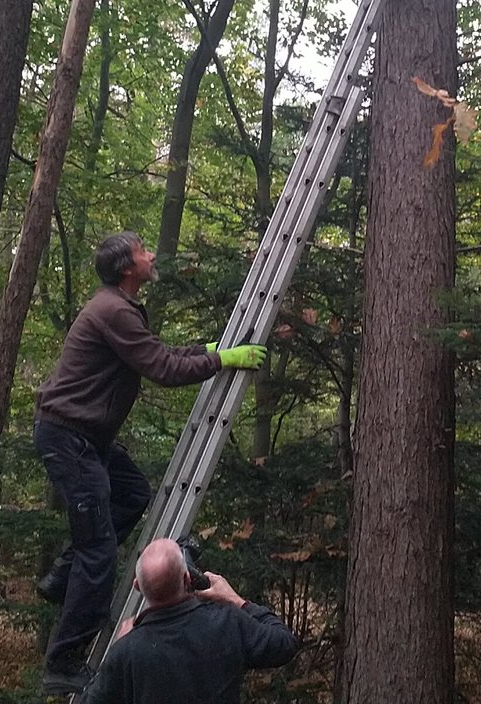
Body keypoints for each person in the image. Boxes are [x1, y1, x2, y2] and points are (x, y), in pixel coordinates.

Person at [34, 231, 267, 697]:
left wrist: (208, 355)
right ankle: (62, 662)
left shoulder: (120, 307)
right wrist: (221, 359)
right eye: (143, 251)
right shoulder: (113, 310)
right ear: (127, 268)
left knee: (134, 495)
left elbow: (155, 353)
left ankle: (65, 571)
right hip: (69, 437)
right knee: (99, 552)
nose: (151, 254)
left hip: (87, 439)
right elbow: (162, 370)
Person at [83, 538, 299, 704]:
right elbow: (284, 644)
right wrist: (235, 599)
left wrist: (121, 644)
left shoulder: (126, 652)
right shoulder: (226, 622)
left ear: (137, 586)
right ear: (187, 579)